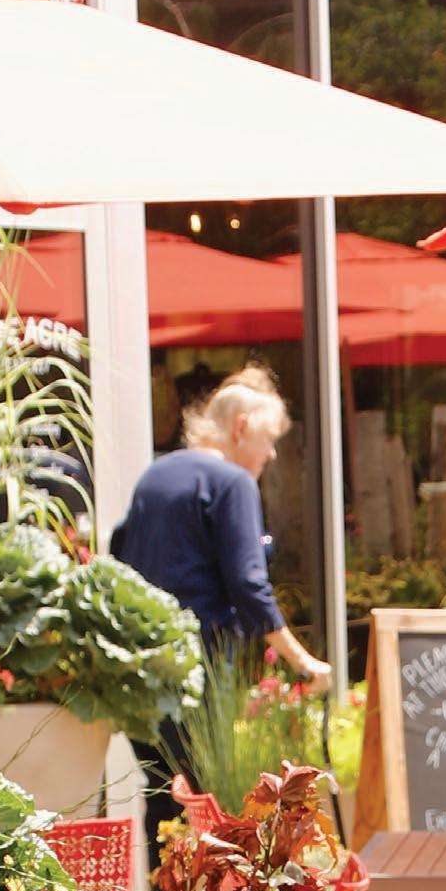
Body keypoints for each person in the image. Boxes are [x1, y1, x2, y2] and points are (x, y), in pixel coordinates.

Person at [110, 364, 330, 850]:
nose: (272, 453)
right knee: (204, 794)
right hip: (198, 670)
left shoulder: (156, 475)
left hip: (139, 670)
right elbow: (250, 586)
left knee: (163, 793)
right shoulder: (232, 483)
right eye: (269, 439)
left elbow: (119, 554)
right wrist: (303, 661)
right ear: (241, 427)